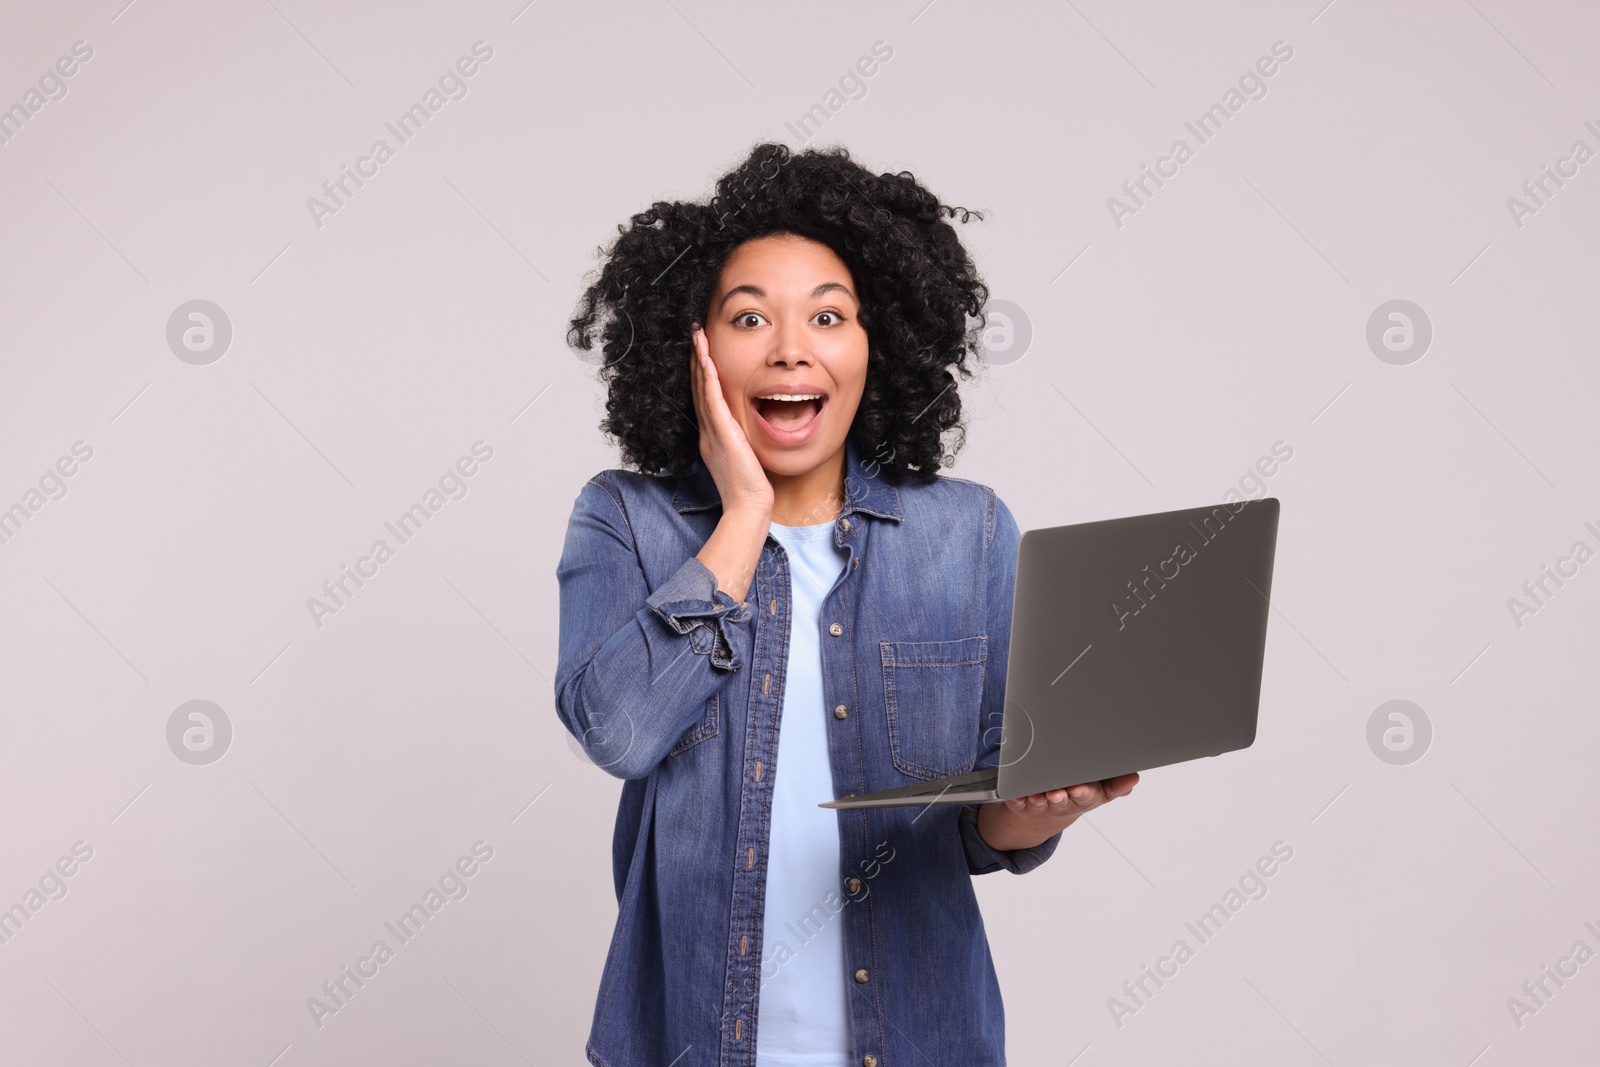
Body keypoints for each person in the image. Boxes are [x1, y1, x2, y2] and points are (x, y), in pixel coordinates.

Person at [556, 142, 1138, 1067]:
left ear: (879, 343)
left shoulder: (970, 533)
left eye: (829, 315)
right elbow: (620, 733)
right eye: (750, 318)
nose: (792, 346)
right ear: (695, 346)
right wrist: (744, 514)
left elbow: (981, 822)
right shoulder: (626, 519)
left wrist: (1038, 812)